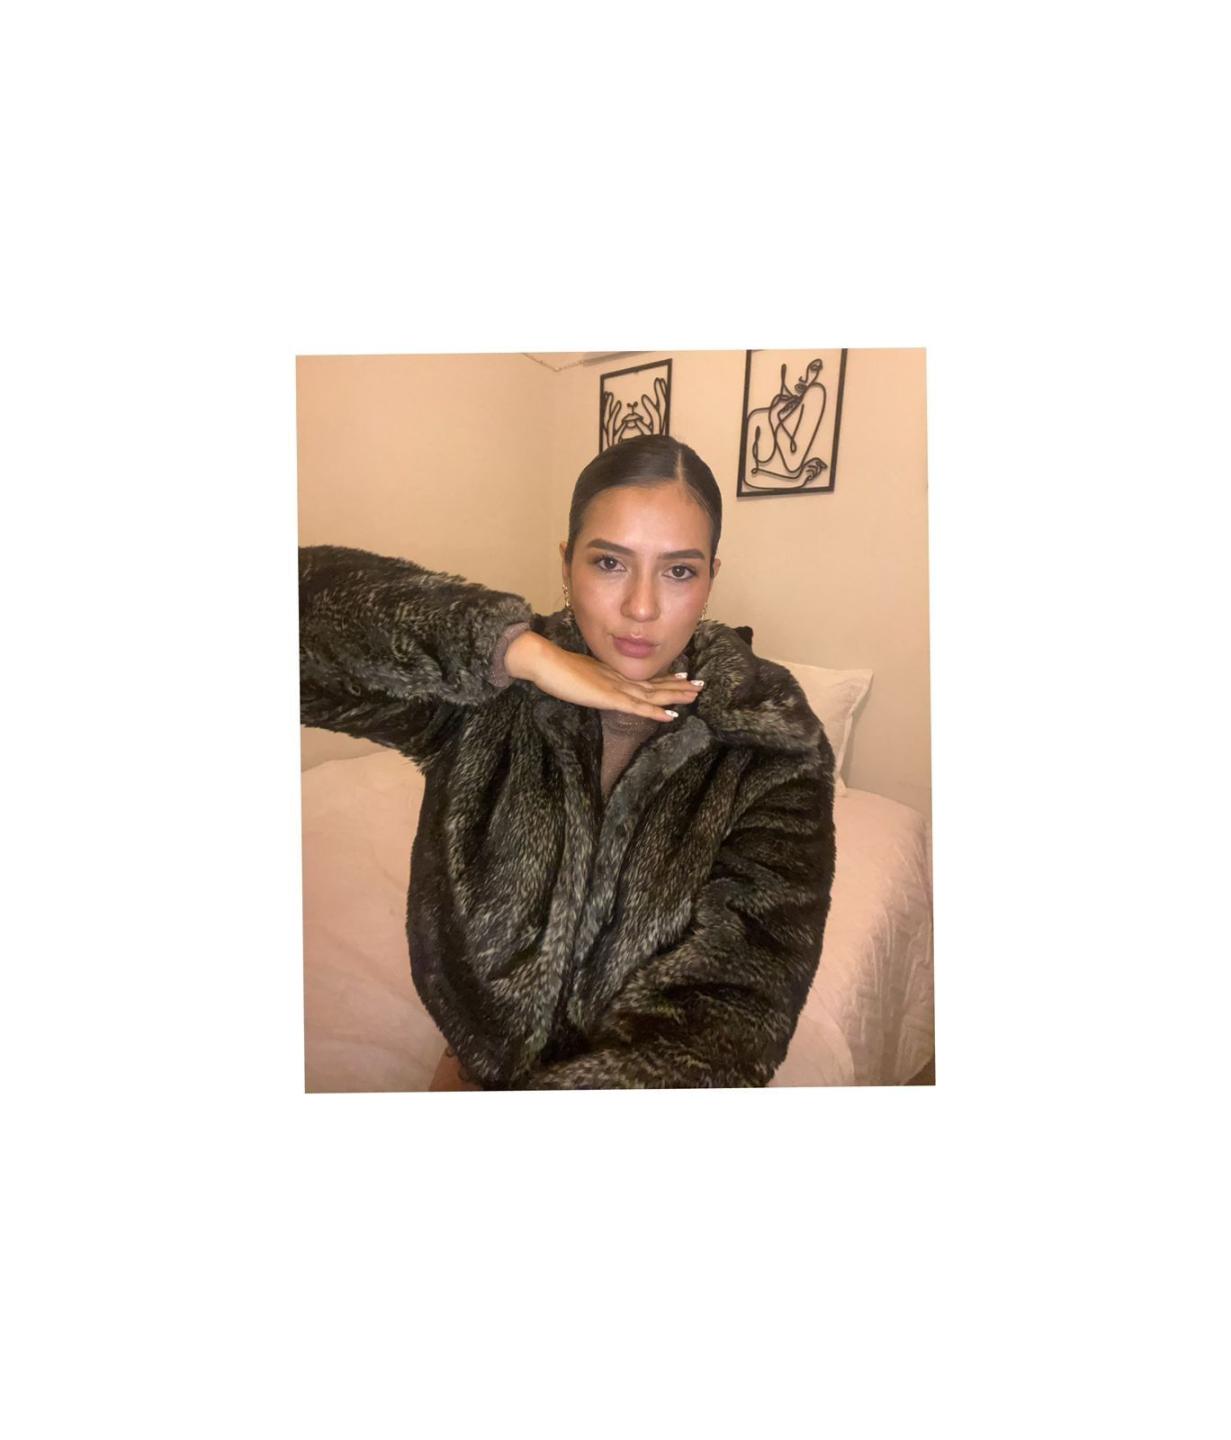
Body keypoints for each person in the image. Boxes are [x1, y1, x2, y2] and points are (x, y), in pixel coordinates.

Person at [299, 434, 837, 1089]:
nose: (641, 608)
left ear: (710, 580)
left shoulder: (768, 735)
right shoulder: (489, 697)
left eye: (678, 571)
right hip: (475, 1063)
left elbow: (731, 1017)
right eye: (609, 563)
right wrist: (518, 652)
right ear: (566, 562)